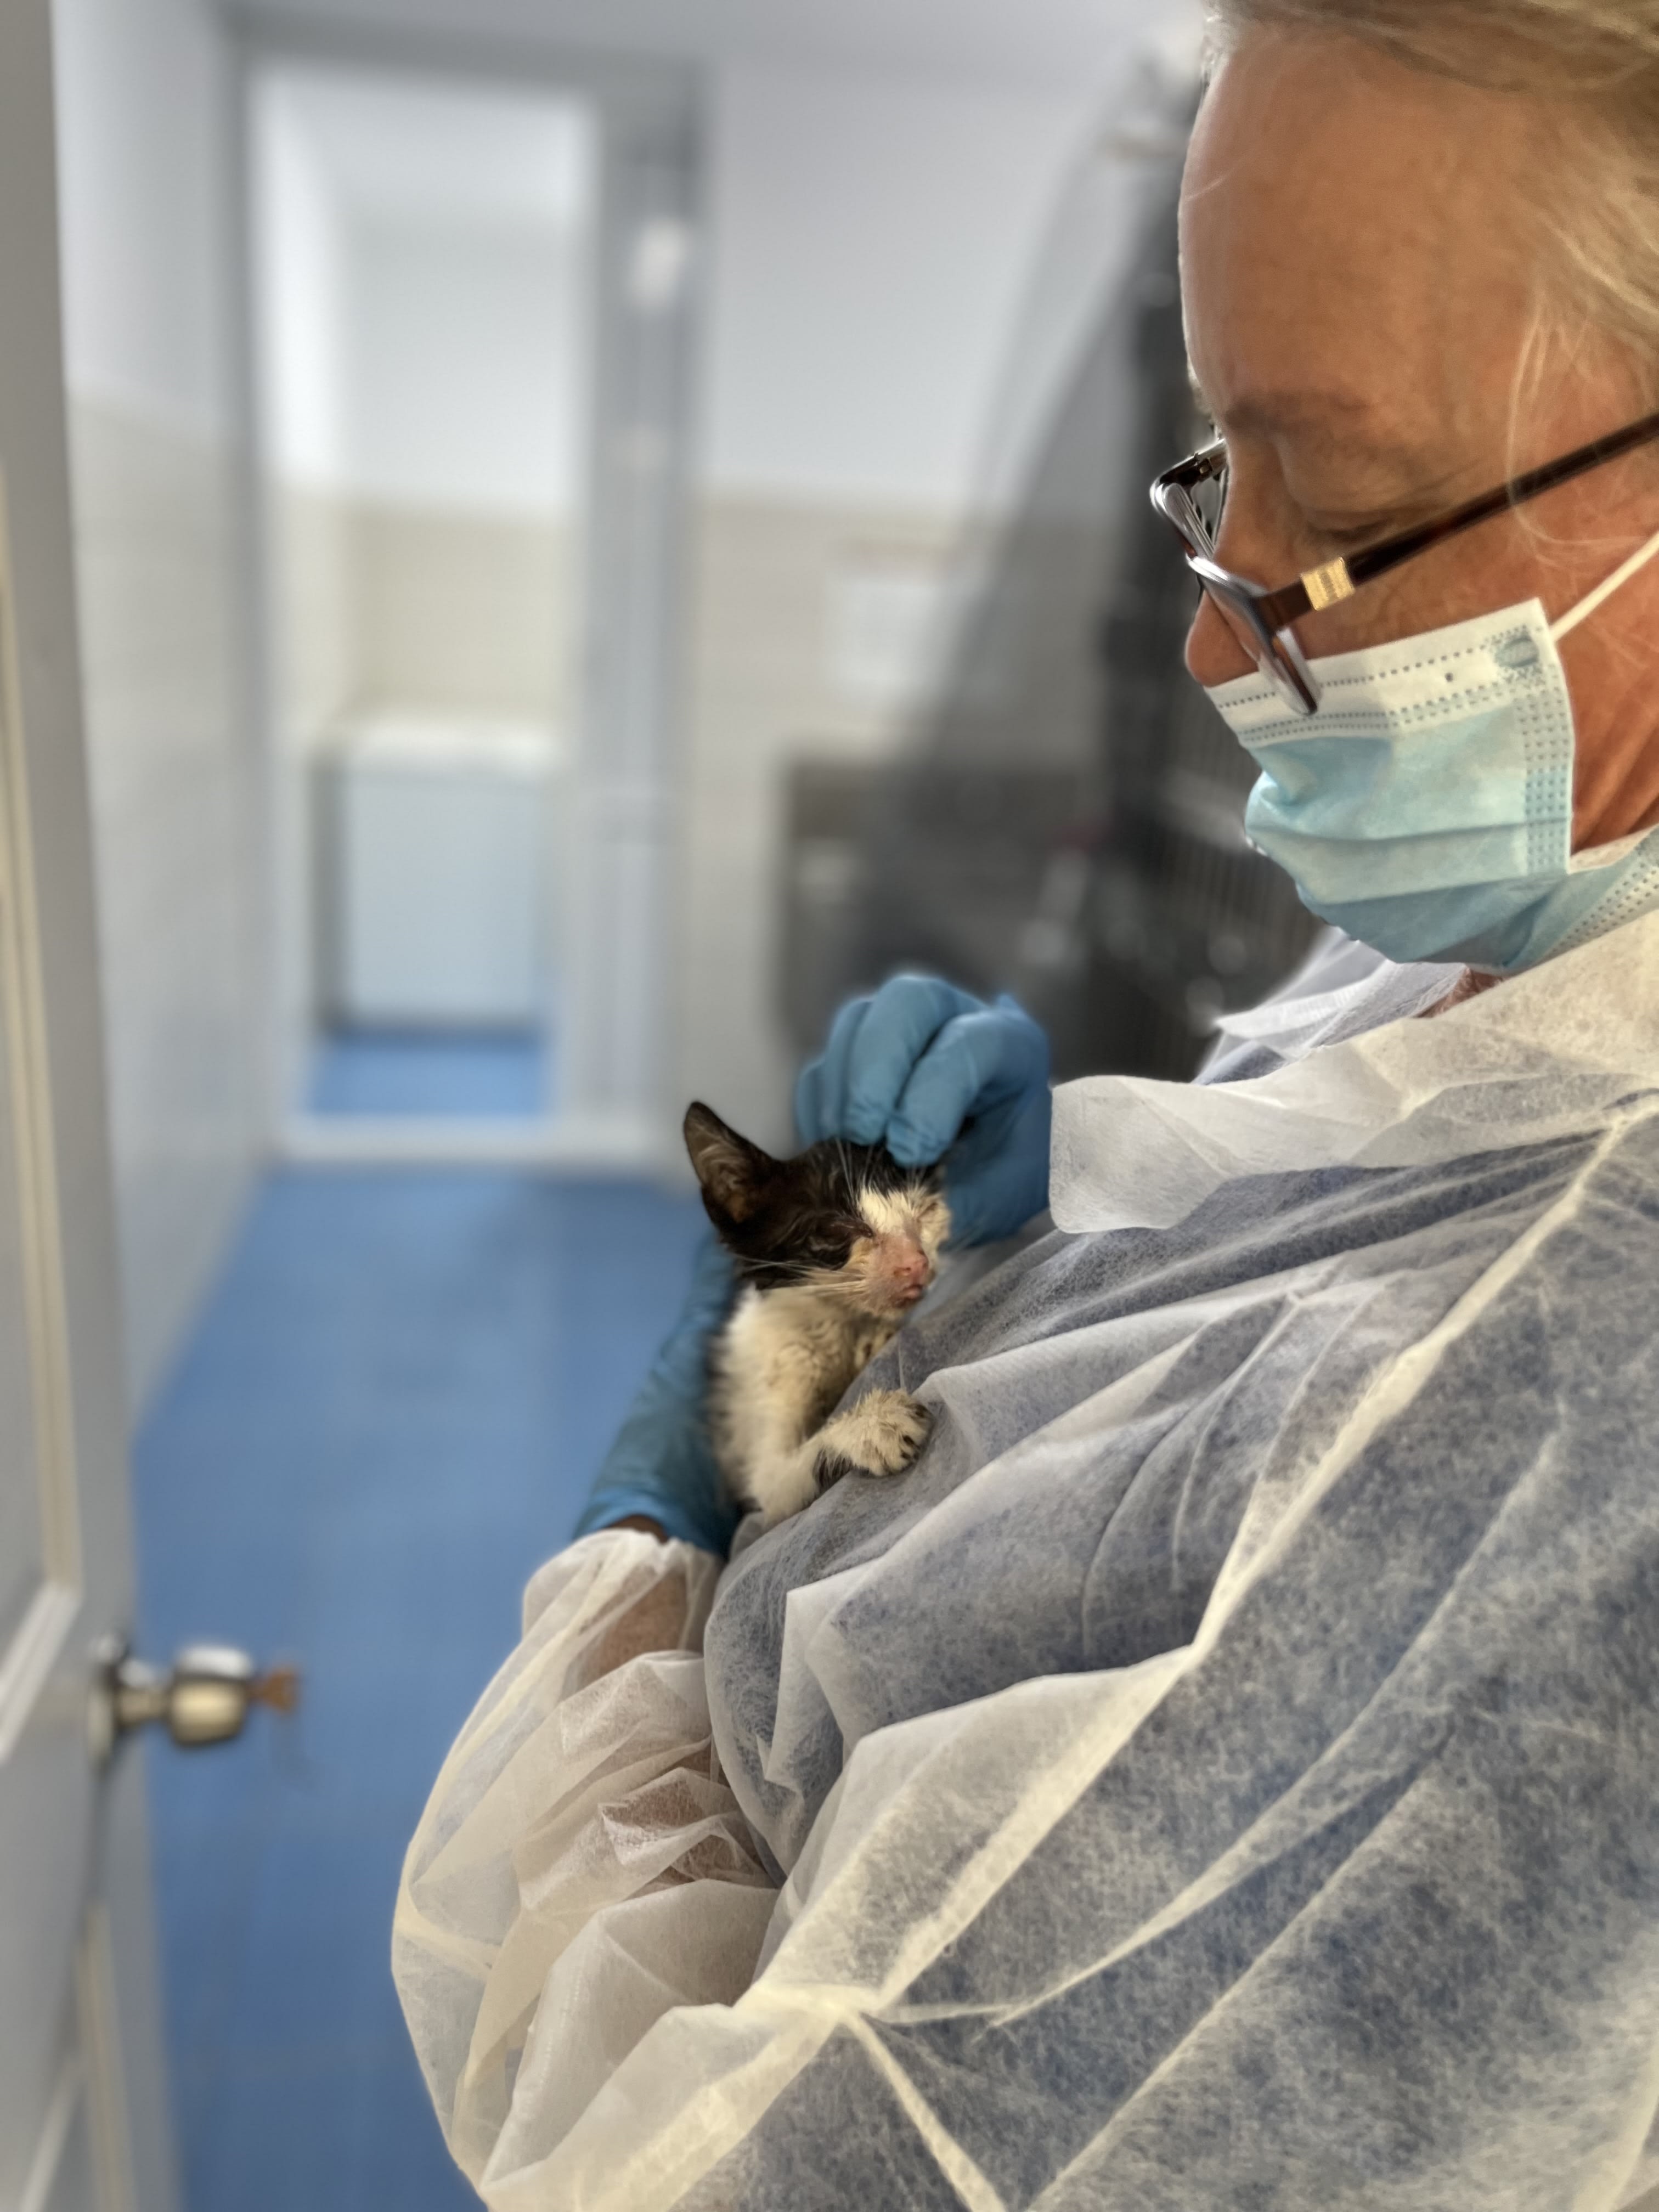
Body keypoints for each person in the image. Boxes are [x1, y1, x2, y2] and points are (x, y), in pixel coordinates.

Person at [393, 6, 1659, 2204]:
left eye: (1341, 496)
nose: (1217, 631)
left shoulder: (1592, 1440)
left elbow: (705, 2159)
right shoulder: (1526, 933)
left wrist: (657, 1535)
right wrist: (1034, 1232)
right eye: (1217, 462)